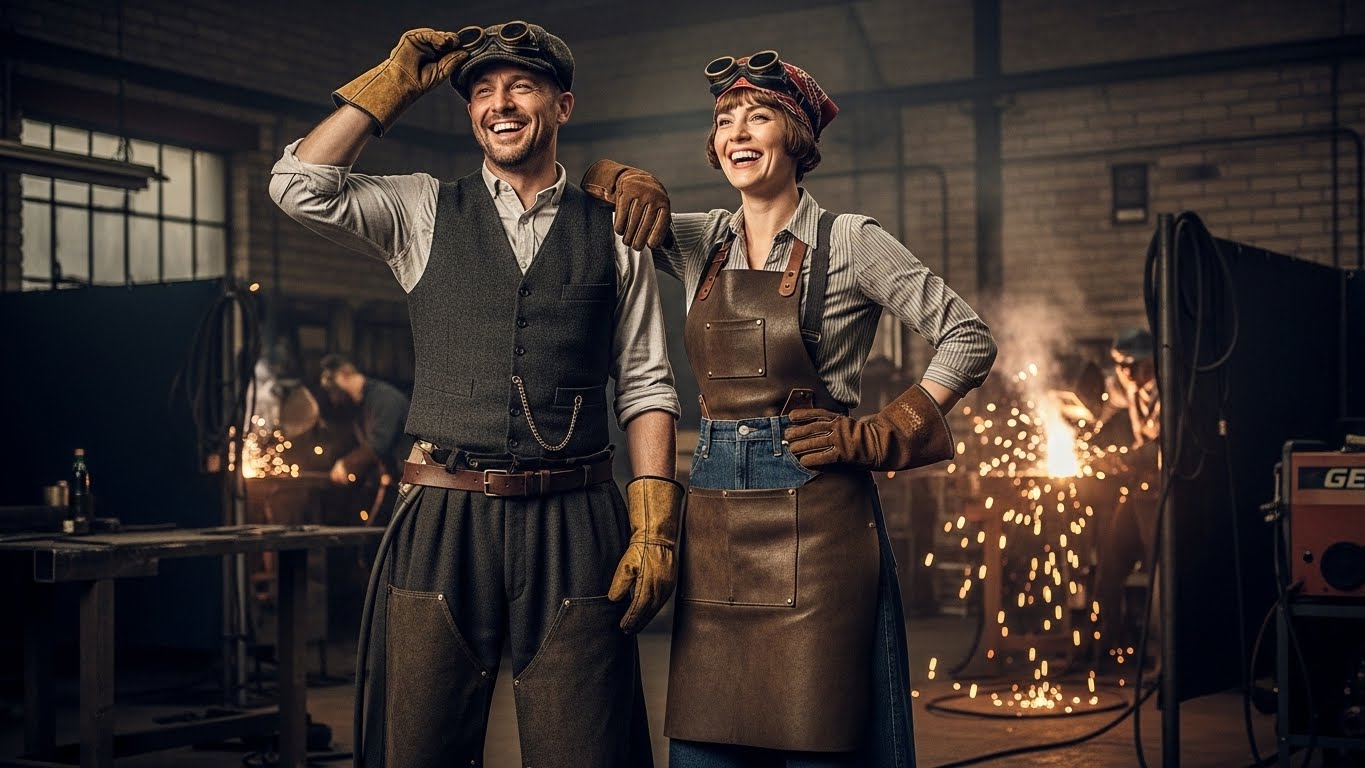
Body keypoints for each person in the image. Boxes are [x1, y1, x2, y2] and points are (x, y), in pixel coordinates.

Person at [269, 21, 682, 768]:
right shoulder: (422, 209)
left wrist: (653, 522)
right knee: (419, 743)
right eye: (483, 92)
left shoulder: (616, 229)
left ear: (562, 106)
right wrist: (392, 84)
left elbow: (648, 382)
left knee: (586, 745)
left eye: (521, 86)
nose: (501, 103)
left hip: (576, 516)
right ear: (467, 113)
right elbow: (297, 186)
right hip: (442, 510)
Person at [584, 51, 997, 767]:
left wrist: (882, 431)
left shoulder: (851, 241)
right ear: (713, 147)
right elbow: (585, 199)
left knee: (820, 738)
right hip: (714, 528)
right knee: (706, 742)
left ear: (795, 140)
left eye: (760, 115)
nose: (738, 131)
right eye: (724, 120)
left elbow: (967, 336)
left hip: (818, 522)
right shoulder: (698, 240)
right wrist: (620, 177)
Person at [1092, 327, 1161, 669]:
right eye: (1121, 366)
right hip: (1137, 492)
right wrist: (1086, 428)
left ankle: (1164, 662)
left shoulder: (1170, 389)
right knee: (1110, 565)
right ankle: (1111, 646)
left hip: (1165, 493)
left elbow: (1167, 444)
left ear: (1152, 361)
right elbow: (1103, 406)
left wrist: (1125, 458)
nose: (1128, 374)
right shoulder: (1126, 385)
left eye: (1134, 366)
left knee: (1161, 575)